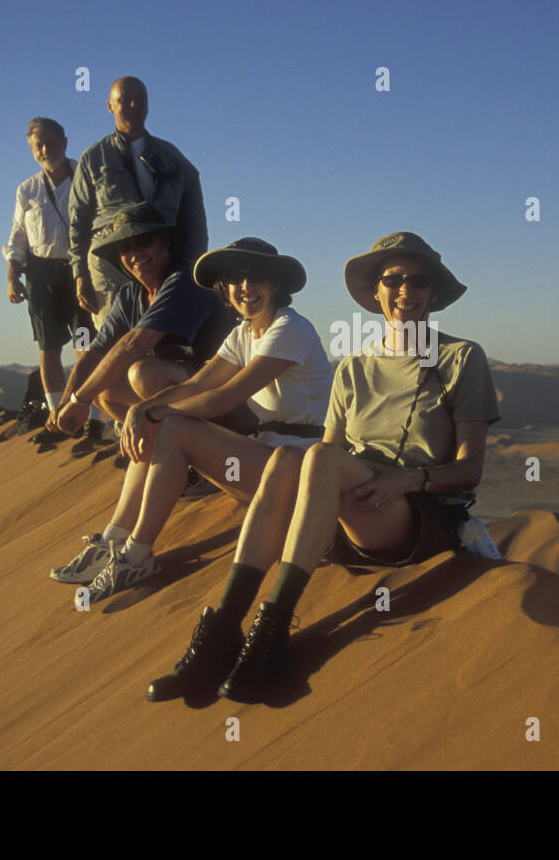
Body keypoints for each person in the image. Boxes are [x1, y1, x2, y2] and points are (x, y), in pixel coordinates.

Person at [145, 232, 500, 704]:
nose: (405, 291)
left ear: (433, 293)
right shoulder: (354, 367)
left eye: (418, 281)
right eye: (392, 280)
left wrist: (408, 479)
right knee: (292, 458)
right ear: (376, 292)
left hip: (419, 514)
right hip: (353, 510)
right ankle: (222, 631)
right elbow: (327, 455)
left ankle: (269, 633)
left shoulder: (461, 358)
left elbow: (471, 469)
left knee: (311, 457)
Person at [50, 238, 333, 605]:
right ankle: (114, 539)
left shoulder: (289, 329)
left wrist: (151, 411)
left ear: (275, 285)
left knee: (171, 426)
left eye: (257, 277)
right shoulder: (244, 334)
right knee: (159, 422)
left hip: (300, 472)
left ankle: (136, 556)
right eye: (236, 279)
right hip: (261, 462)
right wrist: (143, 409)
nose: (245, 288)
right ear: (225, 287)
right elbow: (199, 384)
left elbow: (226, 396)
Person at [66, 75, 209, 447]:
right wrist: (79, 273)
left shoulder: (174, 158)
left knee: (149, 356)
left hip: (166, 263)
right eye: (123, 99)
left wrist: (195, 269)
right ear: (109, 106)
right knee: (111, 359)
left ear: (148, 104)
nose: (131, 105)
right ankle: (138, 435)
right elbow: (78, 223)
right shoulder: (92, 158)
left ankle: (175, 436)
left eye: (138, 98)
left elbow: (195, 219)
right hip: (111, 272)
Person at [48, 203, 235, 450]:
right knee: (103, 388)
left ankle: (201, 451)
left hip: (227, 395)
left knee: (144, 373)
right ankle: (157, 450)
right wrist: (67, 403)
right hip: (186, 391)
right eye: (125, 247)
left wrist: (79, 400)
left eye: (144, 240)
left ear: (165, 240)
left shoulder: (184, 279)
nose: (135, 252)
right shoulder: (129, 294)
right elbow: (94, 353)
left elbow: (135, 343)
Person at [2, 117, 91, 441]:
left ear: (64, 142)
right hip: (42, 276)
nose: (44, 150)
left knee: (85, 347)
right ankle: (57, 415)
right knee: (49, 349)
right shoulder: (27, 189)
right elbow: (18, 236)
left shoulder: (87, 178)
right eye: (37, 145)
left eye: (50, 143)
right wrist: (13, 277)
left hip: (81, 274)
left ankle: (84, 415)